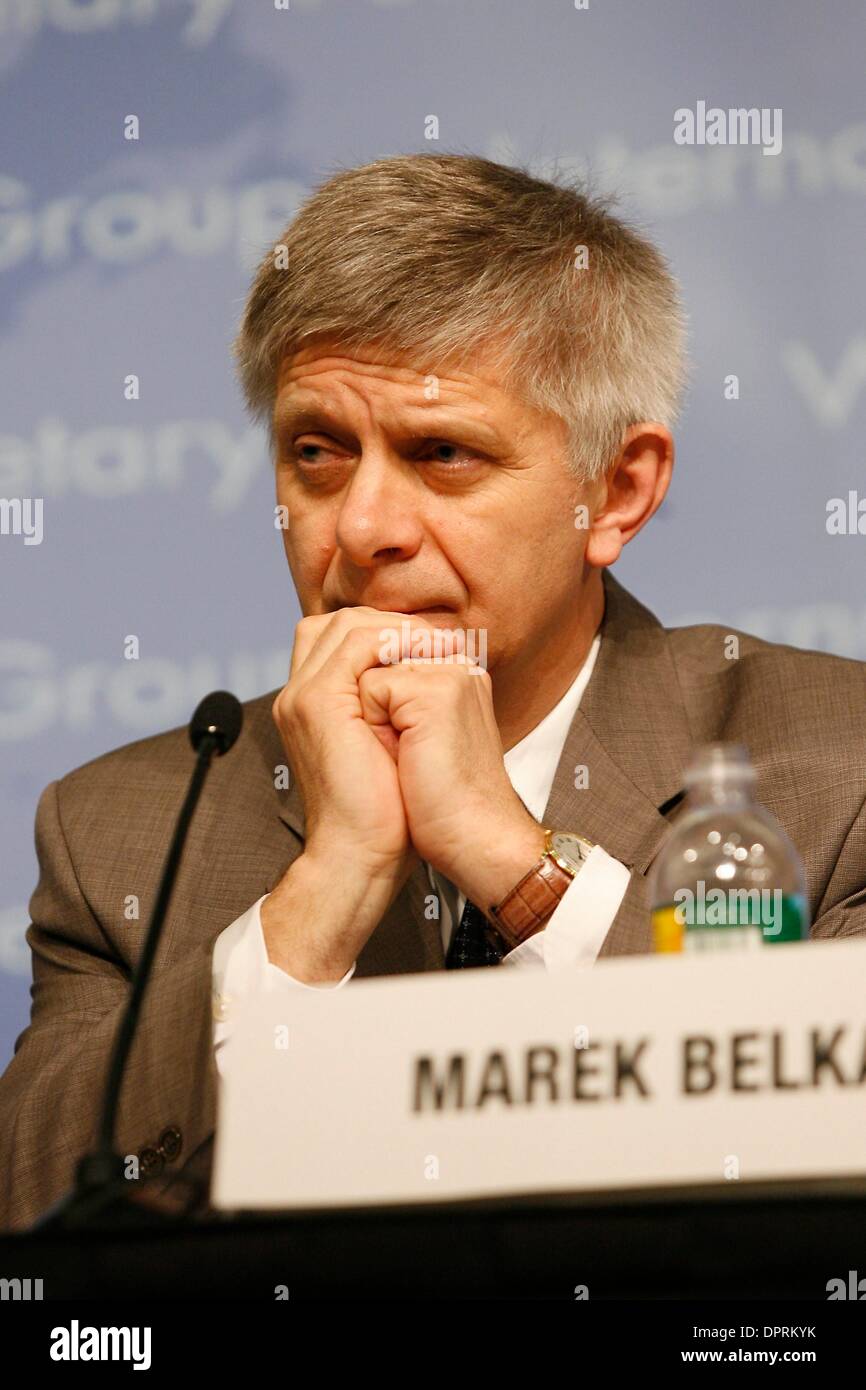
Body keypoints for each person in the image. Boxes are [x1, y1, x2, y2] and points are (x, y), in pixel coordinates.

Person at [2, 154, 864, 1231]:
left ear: (615, 490)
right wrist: (315, 901)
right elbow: (33, 1210)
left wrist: (519, 870)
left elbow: (822, 1140)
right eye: (316, 452)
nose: (361, 528)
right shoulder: (119, 833)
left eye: (441, 453)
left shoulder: (841, 770)